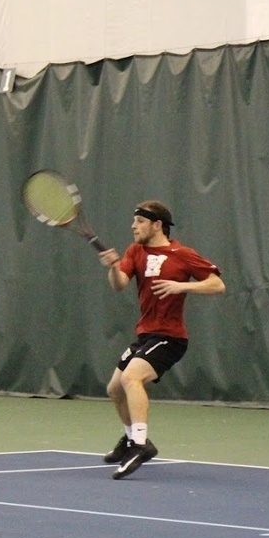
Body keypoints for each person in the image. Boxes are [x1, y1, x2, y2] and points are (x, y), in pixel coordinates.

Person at [97, 200, 224, 479]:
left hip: (170, 337)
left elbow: (217, 284)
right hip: (145, 335)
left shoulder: (182, 254)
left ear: (157, 225)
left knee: (132, 378)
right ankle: (132, 438)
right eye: (134, 221)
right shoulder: (135, 251)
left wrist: (182, 285)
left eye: (140, 222)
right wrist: (113, 266)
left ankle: (140, 445)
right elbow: (120, 285)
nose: (133, 226)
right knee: (115, 389)